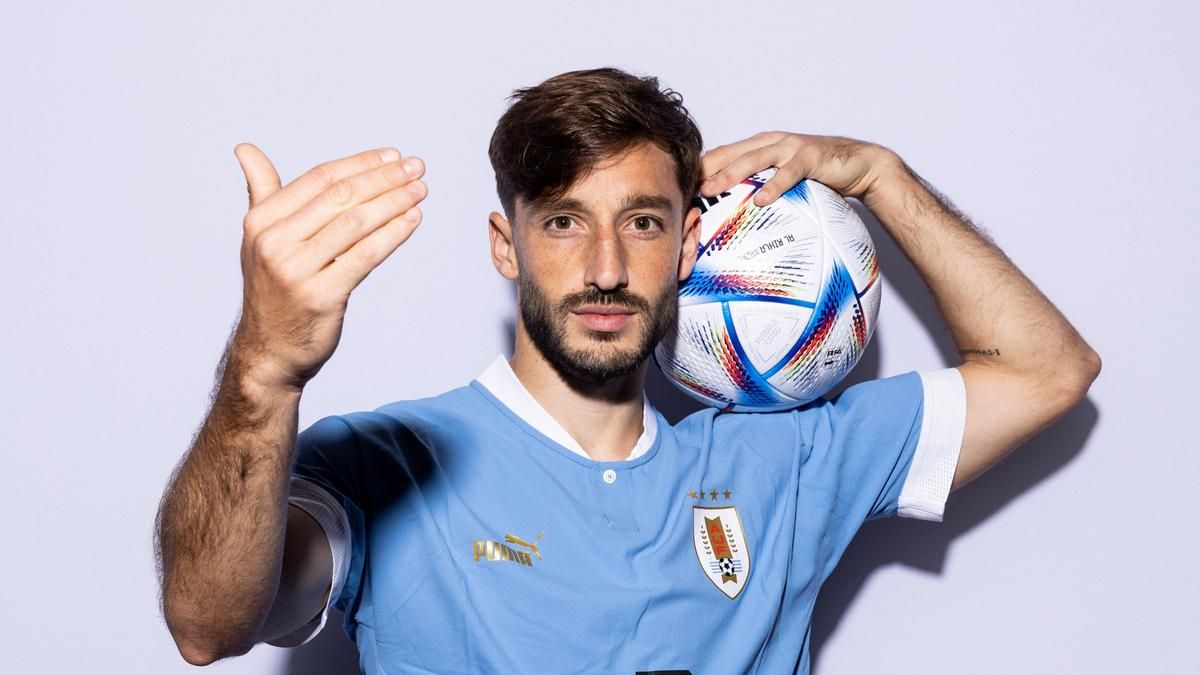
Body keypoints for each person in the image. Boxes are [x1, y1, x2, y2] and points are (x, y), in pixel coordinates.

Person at [153, 66, 1101, 673]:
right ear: (506, 245)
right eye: (564, 220)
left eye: (642, 222)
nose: (605, 267)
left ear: (690, 244)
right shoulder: (389, 464)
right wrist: (264, 373)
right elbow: (209, 622)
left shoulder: (787, 465)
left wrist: (880, 175)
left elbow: (1049, 370)